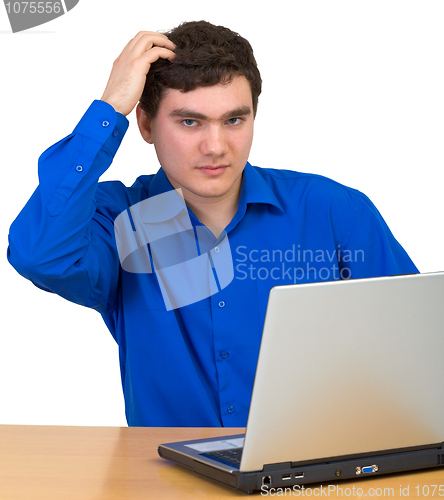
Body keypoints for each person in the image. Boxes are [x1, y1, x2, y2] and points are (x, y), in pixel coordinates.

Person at [7, 21, 418, 427]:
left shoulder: (332, 210)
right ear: (146, 125)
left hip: (311, 479)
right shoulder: (118, 219)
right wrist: (110, 108)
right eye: (190, 122)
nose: (216, 146)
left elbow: (415, 341)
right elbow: (41, 256)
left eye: (234, 120)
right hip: (163, 481)